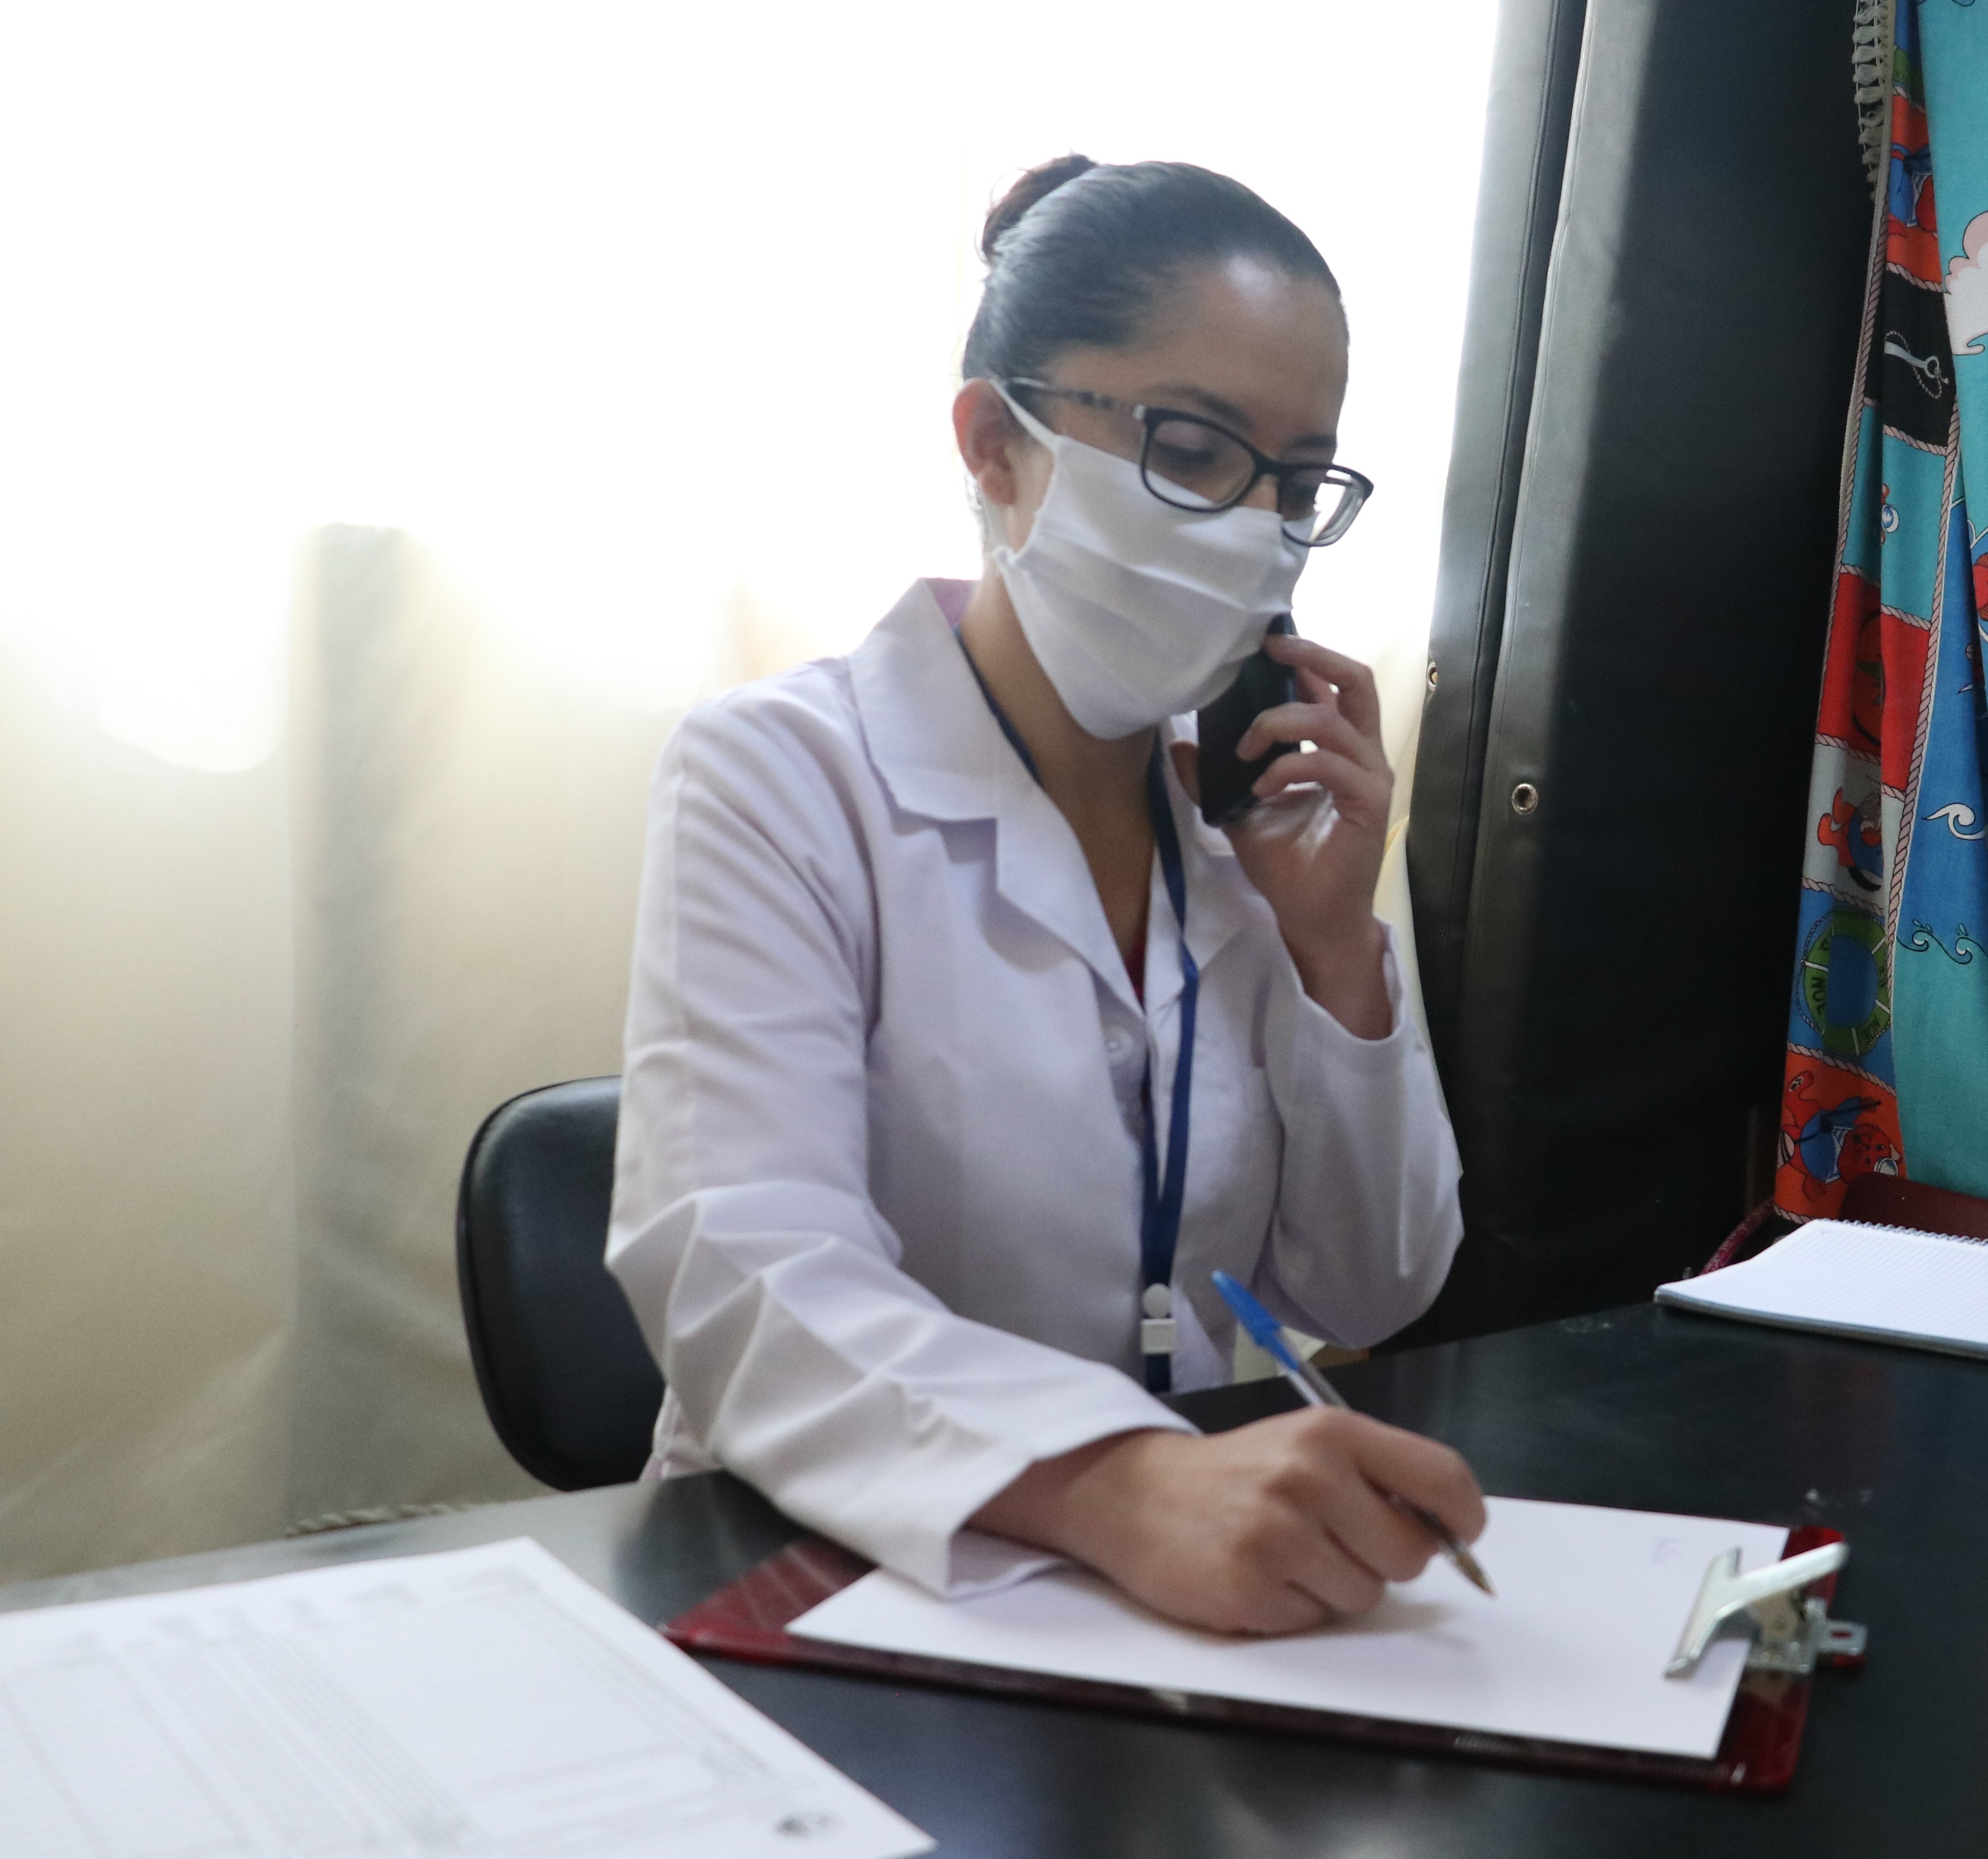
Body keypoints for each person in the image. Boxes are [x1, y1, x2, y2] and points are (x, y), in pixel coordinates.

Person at [606, 155, 1482, 1637]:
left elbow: (1374, 1286)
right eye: (1194, 448)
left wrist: (1334, 948)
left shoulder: (1240, 838)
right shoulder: (779, 775)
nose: (1252, 528)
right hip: (835, 1583)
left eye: (1295, 480)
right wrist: (1118, 1484)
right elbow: (743, 1270)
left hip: (1179, 1593)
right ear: (992, 444)